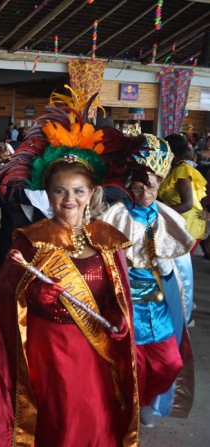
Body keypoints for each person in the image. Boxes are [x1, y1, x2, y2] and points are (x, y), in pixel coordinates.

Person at [0, 95, 139, 446]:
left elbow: (117, 296)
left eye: (78, 190)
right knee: (56, 426)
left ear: (93, 192)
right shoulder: (29, 241)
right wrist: (33, 294)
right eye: (59, 191)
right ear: (46, 195)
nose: (70, 199)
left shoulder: (109, 241)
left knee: (95, 425)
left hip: (95, 357)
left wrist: (121, 316)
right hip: (46, 355)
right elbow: (4, 300)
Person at [101, 134, 194, 427]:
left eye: (151, 184)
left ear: (160, 184)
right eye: (139, 184)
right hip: (128, 308)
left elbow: (183, 270)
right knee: (130, 365)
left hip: (159, 307)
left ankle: (148, 398)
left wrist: (168, 272)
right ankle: (132, 405)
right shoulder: (114, 216)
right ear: (131, 182)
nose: (144, 191)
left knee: (170, 362)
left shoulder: (169, 219)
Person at [158, 134, 207, 253]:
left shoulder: (182, 170)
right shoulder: (176, 168)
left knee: (177, 266)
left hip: (188, 226)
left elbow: (187, 204)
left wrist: (158, 213)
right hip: (180, 222)